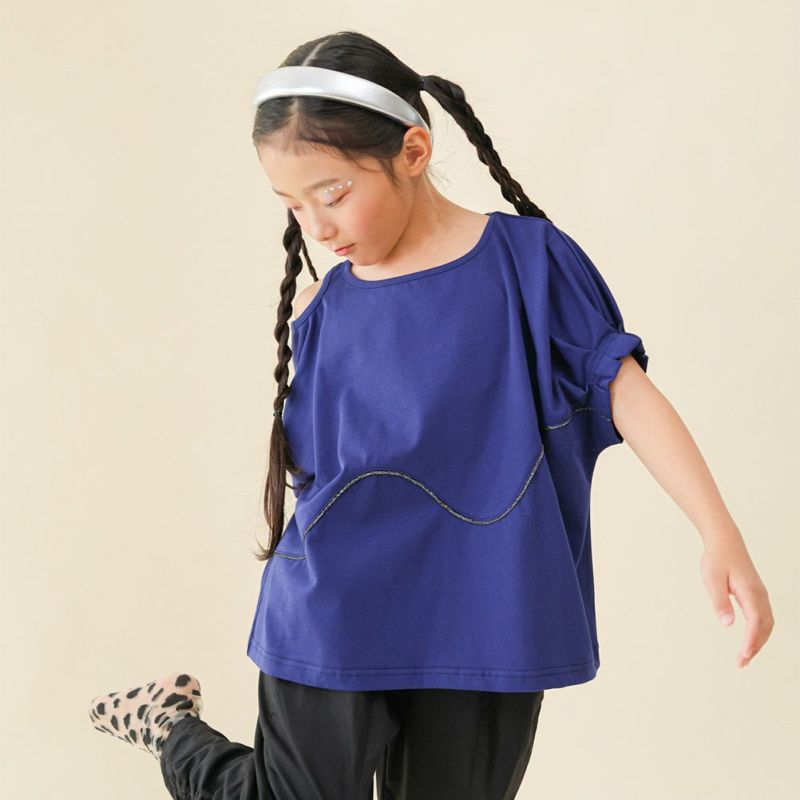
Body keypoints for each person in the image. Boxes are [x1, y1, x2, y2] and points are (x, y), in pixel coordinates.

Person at [87, 29, 774, 800]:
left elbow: (625, 390)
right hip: (338, 602)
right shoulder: (321, 310)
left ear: (414, 150)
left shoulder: (529, 264)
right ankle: (171, 727)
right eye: (292, 204)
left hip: (484, 611)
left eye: (332, 194)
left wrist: (719, 532)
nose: (317, 227)